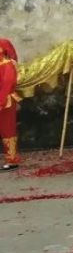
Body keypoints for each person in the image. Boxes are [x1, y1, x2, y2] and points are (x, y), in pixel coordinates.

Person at [1, 38, 20, 171]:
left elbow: (7, 85)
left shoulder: (8, 65)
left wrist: (1, 101)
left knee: (8, 131)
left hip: (5, 102)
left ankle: (12, 160)